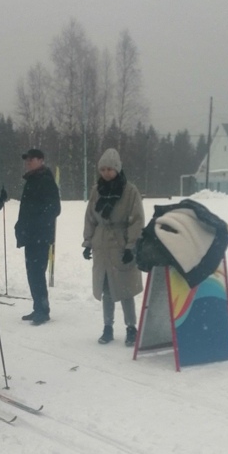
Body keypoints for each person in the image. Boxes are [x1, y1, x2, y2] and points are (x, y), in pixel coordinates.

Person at [82, 148, 145, 346]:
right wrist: (88, 242)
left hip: (121, 244)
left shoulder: (130, 191)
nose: (106, 173)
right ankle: (107, 327)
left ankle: (131, 328)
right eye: (103, 169)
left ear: (117, 169)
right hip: (101, 246)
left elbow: (137, 220)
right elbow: (90, 218)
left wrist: (131, 246)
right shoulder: (97, 190)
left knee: (125, 290)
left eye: (110, 169)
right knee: (106, 289)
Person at [14, 148, 60, 325]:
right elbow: (27, 208)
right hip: (30, 235)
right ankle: (37, 307)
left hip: (40, 236)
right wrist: (21, 226)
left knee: (37, 273)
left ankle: (43, 310)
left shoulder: (46, 180)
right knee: (32, 273)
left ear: (41, 160)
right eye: (26, 160)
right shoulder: (31, 180)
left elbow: (54, 208)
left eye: (31, 159)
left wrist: (37, 223)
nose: (28, 162)